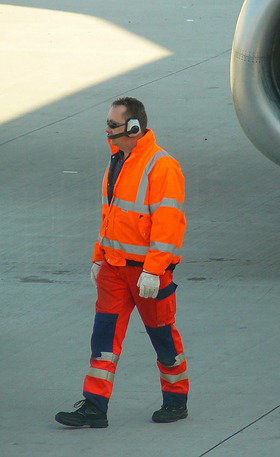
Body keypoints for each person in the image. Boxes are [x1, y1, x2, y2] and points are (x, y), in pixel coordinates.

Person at [55, 97, 189, 427]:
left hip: (147, 274)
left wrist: (154, 270)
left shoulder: (162, 166)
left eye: (112, 125)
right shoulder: (117, 161)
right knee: (103, 339)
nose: (107, 130)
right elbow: (109, 217)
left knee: (163, 337)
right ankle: (94, 406)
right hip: (114, 269)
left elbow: (168, 225)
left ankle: (176, 400)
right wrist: (98, 258)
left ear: (133, 128)